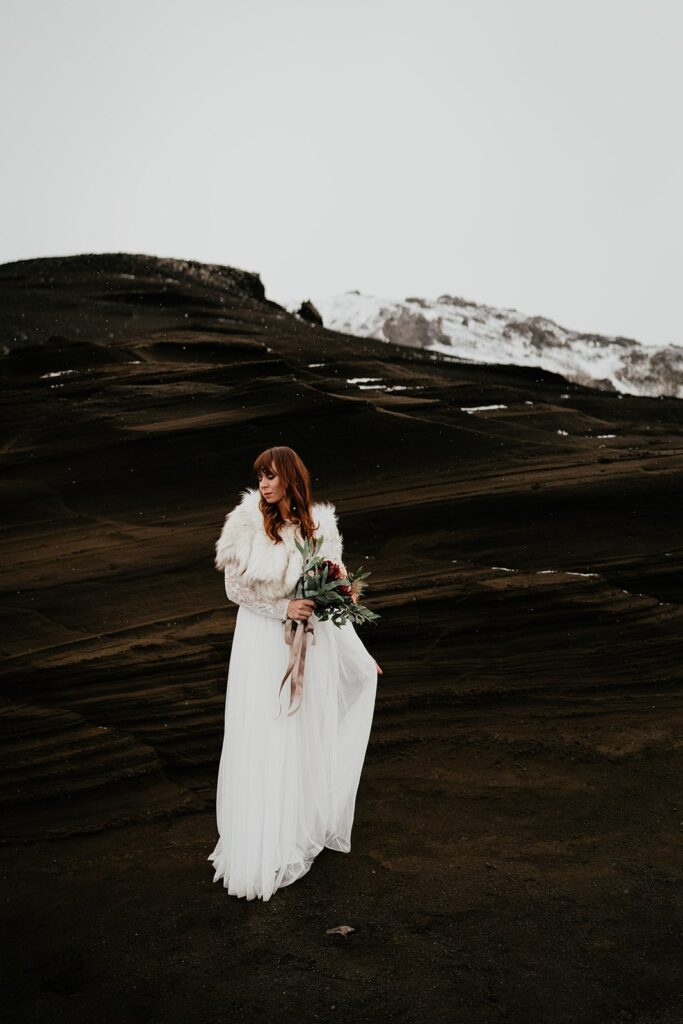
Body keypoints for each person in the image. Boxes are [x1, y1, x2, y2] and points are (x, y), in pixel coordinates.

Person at [207, 446, 382, 901]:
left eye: (270, 476)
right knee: (265, 732)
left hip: (308, 644)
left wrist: (361, 656)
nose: (263, 484)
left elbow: (334, 597)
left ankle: (294, 826)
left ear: (290, 478)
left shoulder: (320, 528)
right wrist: (284, 606)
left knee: (300, 732)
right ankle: (262, 836)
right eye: (259, 477)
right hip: (261, 643)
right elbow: (233, 588)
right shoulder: (246, 522)